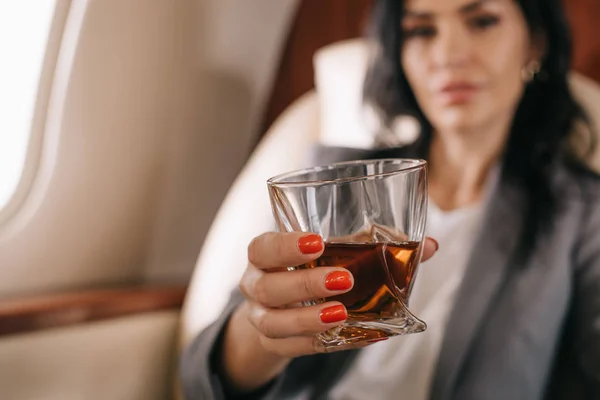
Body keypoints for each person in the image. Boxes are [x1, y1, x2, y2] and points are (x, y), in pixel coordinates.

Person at [180, 0, 600, 399]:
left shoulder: (581, 213)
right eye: (421, 30)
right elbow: (198, 380)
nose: (448, 54)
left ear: (535, 42)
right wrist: (262, 334)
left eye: (482, 21)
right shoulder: (337, 186)